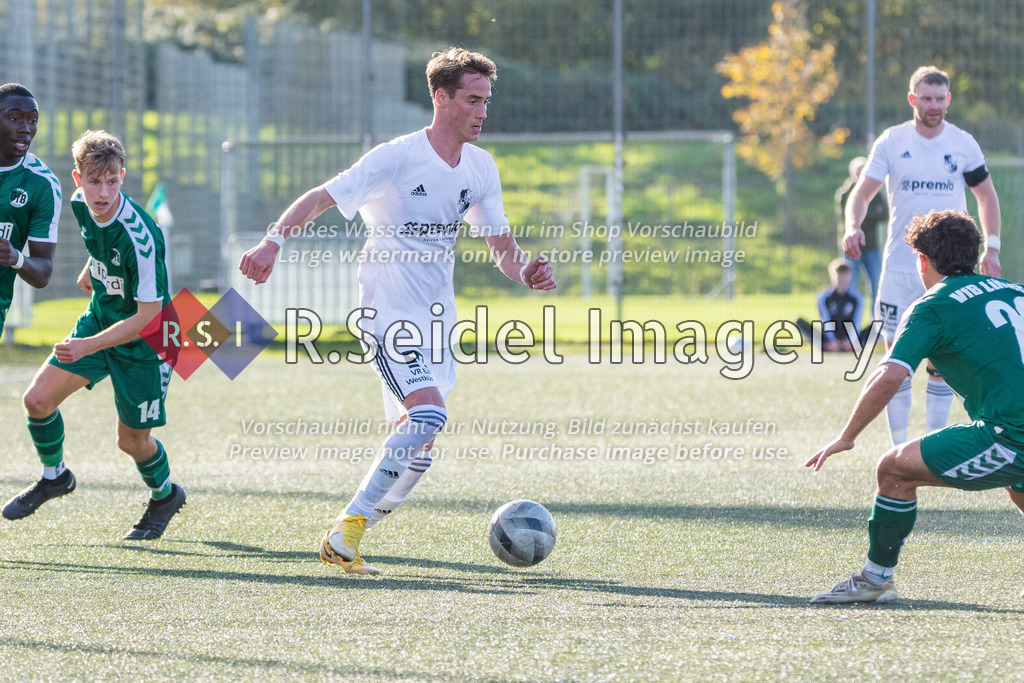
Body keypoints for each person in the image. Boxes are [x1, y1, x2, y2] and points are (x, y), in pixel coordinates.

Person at [238, 47, 556, 575]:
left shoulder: (480, 167)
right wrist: (273, 242)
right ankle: (350, 526)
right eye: (473, 100)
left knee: (421, 447)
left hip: (437, 324)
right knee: (428, 414)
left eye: (487, 101)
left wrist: (525, 271)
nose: (482, 112)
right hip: (386, 314)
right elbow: (320, 197)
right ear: (442, 97)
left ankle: (346, 536)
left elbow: (501, 245)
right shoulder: (396, 158)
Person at [807, 210, 1024, 604]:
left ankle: (875, 579)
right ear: (975, 254)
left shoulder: (933, 306)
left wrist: (847, 436)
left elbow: (891, 376)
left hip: (1012, 436)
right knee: (1019, 486)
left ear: (922, 260)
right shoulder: (1014, 289)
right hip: (1014, 432)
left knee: (894, 469)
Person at [2, 130, 185, 540]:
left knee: (132, 442)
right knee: (37, 400)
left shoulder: (142, 236)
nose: (102, 192)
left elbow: (148, 317)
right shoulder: (80, 203)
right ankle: (56, 477)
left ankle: (165, 494)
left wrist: (87, 345)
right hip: (102, 318)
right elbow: (97, 241)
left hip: (147, 342)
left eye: (112, 181)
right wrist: (92, 267)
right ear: (77, 179)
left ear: (123, 175)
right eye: (94, 181)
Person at [844, 66, 1001, 446]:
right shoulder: (891, 141)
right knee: (895, 360)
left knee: (941, 362)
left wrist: (992, 246)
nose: (934, 105)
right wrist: (853, 226)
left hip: (950, 269)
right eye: (926, 98)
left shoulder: (963, 142)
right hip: (901, 266)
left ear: (948, 100)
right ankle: (899, 448)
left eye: (940, 98)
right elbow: (862, 193)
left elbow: (986, 196)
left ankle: (931, 444)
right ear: (913, 99)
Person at [0, 83, 60, 339]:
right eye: (14, 118)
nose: (25, 129)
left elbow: (43, 272)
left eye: (32, 120)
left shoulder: (42, 184)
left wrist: (15, 257)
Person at [835, 156, 886, 311]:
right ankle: (849, 321)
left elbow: (884, 214)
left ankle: (874, 320)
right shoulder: (845, 193)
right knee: (850, 286)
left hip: (871, 246)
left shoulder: (875, 193)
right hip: (851, 247)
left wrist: (864, 214)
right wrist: (868, 214)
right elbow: (849, 217)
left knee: (877, 284)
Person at [795, 258, 865, 351]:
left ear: (850, 276)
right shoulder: (823, 297)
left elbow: (857, 321)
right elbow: (826, 321)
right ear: (831, 275)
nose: (841, 277)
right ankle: (827, 346)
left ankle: (852, 346)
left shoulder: (857, 298)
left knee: (877, 326)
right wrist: (832, 341)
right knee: (799, 321)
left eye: (844, 274)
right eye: (838, 274)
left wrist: (850, 340)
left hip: (849, 339)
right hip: (829, 339)